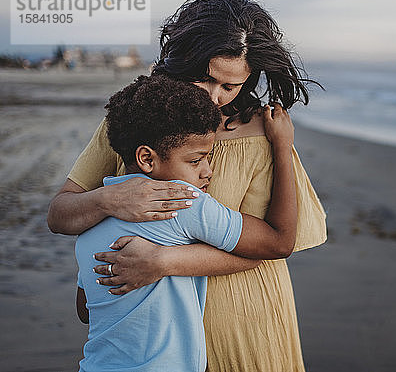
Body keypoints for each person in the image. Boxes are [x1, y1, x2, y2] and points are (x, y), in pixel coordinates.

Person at [48, 0, 327, 372]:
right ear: (182, 61)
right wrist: (108, 200)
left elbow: (273, 246)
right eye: (206, 79)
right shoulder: (138, 122)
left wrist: (163, 261)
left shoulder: (265, 134)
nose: (216, 98)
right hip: (151, 332)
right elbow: (60, 215)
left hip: (244, 318)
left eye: (231, 87)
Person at [76, 74, 296, 371]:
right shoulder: (182, 201)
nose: (208, 171)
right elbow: (280, 241)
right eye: (196, 160)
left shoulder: (90, 219)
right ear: (147, 159)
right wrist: (283, 147)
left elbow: (84, 310)